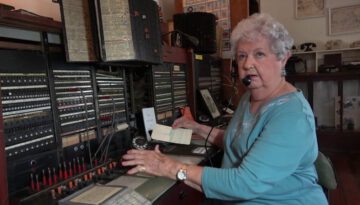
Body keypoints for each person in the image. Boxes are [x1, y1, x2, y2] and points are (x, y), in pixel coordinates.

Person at [122, 13, 328, 205]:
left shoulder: (291, 116)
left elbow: (244, 183)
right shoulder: (250, 97)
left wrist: (170, 167)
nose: (248, 64)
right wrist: (197, 128)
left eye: (259, 54)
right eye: (241, 56)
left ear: (283, 58)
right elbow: (238, 142)